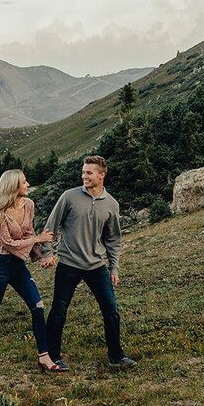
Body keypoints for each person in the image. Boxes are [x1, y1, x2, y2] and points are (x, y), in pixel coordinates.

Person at [39, 155, 136, 370]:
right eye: (83, 172)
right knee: (59, 311)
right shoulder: (69, 197)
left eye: (89, 173)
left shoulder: (111, 204)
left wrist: (114, 267)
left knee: (111, 310)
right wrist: (46, 253)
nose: (84, 176)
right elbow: (50, 227)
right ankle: (52, 357)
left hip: (96, 267)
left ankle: (116, 357)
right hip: (68, 264)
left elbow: (113, 239)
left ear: (102, 175)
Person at [0, 169, 66, 373]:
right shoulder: (0, 213)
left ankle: (44, 357)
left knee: (38, 306)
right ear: (13, 187)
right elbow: (9, 243)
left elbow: (28, 232)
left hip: (18, 267)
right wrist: (37, 239)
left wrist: (41, 256)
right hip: (0, 266)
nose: (28, 184)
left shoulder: (28, 204)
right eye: (23, 182)